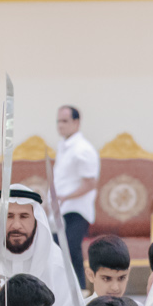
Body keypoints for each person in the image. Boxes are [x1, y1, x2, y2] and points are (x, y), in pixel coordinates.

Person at [54, 104, 100, 288]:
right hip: (62, 209)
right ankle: (63, 290)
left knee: (72, 249)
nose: (60, 125)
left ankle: (81, 289)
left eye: (65, 121)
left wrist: (65, 197)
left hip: (77, 210)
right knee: (58, 249)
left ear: (76, 123)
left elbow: (90, 183)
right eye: (58, 121)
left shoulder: (83, 150)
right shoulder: (64, 146)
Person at [85, 233, 132, 298]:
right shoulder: (83, 305)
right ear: (91, 275)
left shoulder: (136, 305)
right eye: (106, 279)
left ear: (128, 274)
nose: (115, 288)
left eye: (121, 278)